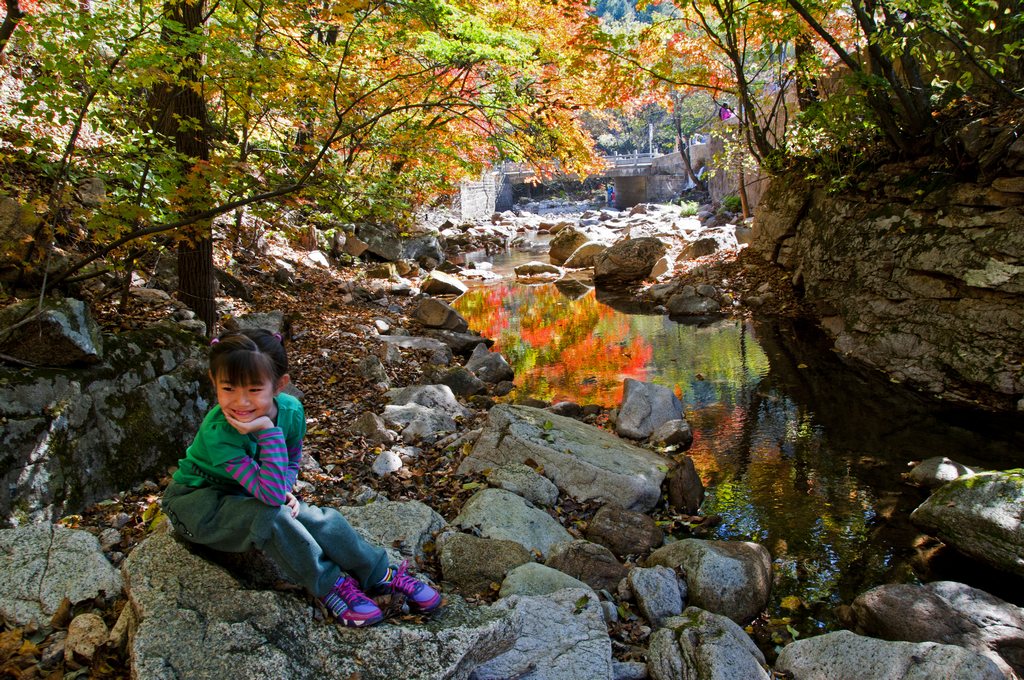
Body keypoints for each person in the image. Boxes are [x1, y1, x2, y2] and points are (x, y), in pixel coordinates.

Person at [162, 328, 442, 627]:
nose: (240, 402)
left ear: (279, 385)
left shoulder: (292, 411)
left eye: (254, 390)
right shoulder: (219, 432)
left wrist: (283, 487)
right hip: (198, 504)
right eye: (228, 388)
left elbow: (291, 458)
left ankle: (379, 574)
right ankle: (329, 585)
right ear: (213, 382)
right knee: (273, 517)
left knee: (320, 518)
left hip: (247, 491)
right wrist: (267, 433)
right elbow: (268, 500)